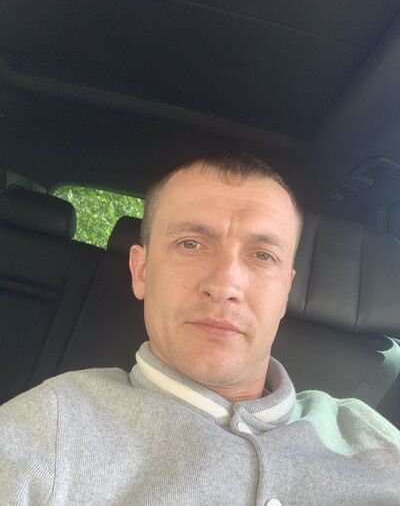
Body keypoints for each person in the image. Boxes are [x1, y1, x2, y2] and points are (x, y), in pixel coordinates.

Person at [1, 151, 399, 506]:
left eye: (263, 255)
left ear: (285, 293)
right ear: (141, 271)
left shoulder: (370, 436)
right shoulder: (48, 429)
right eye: (190, 244)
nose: (225, 285)